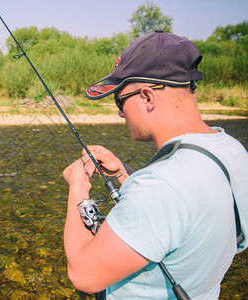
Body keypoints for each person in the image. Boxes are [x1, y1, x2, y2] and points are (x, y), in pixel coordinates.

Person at [62, 30, 248, 299]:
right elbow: (185, 214)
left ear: (148, 97)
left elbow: (84, 275)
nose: (119, 112)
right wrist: (124, 174)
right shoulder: (231, 150)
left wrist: (77, 189)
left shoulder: (160, 187)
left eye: (120, 99)